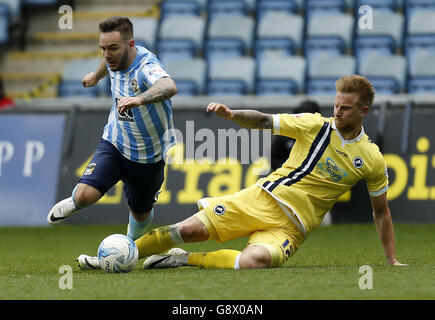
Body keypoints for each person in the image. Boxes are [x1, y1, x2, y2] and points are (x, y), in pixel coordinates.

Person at [80, 75, 407, 270]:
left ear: (364, 110)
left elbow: (382, 213)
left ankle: (181, 259)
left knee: (252, 263)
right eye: (336, 104)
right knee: (189, 230)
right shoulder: (313, 125)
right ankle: (116, 255)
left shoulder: (372, 159)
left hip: (293, 229)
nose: (337, 111)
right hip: (261, 199)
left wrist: (391, 259)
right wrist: (233, 114)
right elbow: (264, 120)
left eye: (346, 108)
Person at [46, 16, 178, 268]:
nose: (107, 55)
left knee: (141, 212)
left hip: (149, 156)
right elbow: (106, 63)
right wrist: (96, 77)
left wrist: (140, 99)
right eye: (103, 49)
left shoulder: (146, 66)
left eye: (112, 48)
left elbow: (169, 86)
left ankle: (128, 250)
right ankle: (75, 201)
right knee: (85, 196)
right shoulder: (112, 60)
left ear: (130, 45)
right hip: (115, 143)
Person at [270, 100, 320, 171]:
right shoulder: (285, 133)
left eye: (310, 118)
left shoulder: (321, 135)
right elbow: (273, 158)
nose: (306, 122)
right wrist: (285, 170)